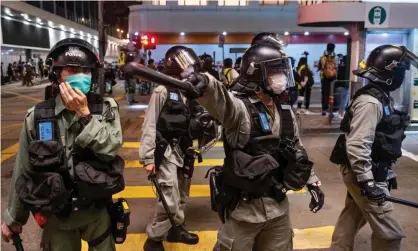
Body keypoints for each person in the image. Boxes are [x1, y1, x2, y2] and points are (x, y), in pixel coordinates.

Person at [189, 43, 325, 251]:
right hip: (244, 212)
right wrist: (206, 83)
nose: (282, 76)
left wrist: (312, 182)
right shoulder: (239, 109)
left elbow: (297, 148)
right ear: (256, 75)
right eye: (275, 71)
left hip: (278, 208)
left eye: (282, 70)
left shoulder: (285, 110)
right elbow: (221, 99)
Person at [1, 38, 124, 251]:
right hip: (57, 217)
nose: (81, 76)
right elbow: (24, 168)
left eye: (86, 71)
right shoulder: (37, 117)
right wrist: (14, 218)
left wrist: (85, 114)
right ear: (56, 74)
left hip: (96, 212)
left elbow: (111, 147)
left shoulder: (105, 108)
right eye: (72, 69)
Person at [329, 44, 418, 251]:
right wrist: (367, 180)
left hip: (371, 170)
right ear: (390, 73)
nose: (402, 76)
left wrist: (385, 173)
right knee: (390, 233)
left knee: (353, 215)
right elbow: (358, 143)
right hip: (362, 173)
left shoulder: (380, 96)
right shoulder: (371, 102)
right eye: (401, 71)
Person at [140, 46, 202, 251]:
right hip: (165, 151)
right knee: (169, 197)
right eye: (188, 65)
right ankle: (154, 240)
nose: (191, 69)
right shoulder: (162, 91)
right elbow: (149, 124)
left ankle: (177, 228)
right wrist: (148, 158)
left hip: (182, 151)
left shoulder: (187, 92)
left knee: (182, 194)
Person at [318, 43, 338, 116]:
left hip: (324, 78)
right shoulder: (336, 57)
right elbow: (337, 67)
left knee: (324, 94)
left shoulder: (322, 58)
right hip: (333, 78)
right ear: (333, 48)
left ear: (327, 48)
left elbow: (320, 67)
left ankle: (324, 110)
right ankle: (331, 110)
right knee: (332, 94)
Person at [334, 55, 349, 119]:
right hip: (344, 86)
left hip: (337, 86)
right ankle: (341, 114)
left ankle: (339, 113)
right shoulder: (348, 68)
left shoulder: (340, 67)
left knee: (339, 101)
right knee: (343, 101)